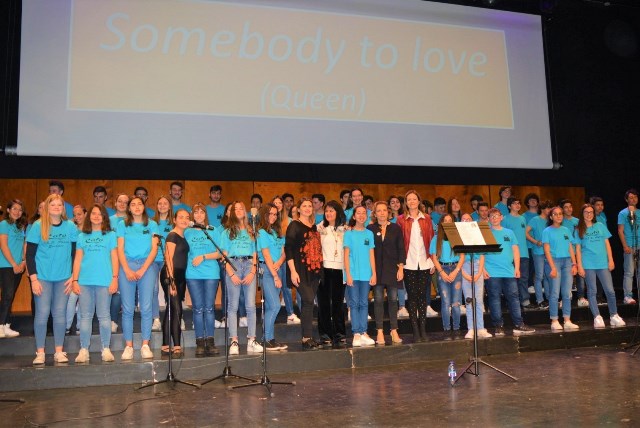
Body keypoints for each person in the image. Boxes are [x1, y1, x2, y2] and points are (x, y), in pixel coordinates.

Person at [26, 194, 78, 364]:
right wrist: (33, 279)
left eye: (59, 205)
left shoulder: (70, 226)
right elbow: (30, 254)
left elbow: (75, 253)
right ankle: (40, 352)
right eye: (53, 204)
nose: (56, 207)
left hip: (63, 278)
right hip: (42, 278)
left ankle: (59, 351)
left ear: (63, 208)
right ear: (47, 207)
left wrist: (73, 277)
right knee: (41, 314)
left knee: (59, 314)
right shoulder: (37, 226)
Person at [72, 205, 118, 363]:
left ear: (104, 217)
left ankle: (106, 348)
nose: (97, 216)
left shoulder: (111, 235)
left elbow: (114, 258)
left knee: (104, 316)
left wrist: (115, 278)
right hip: (84, 281)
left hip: (105, 281)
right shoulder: (82, 236)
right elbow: (78, 260)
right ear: (89, 216)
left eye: (100, 214)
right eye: (93, 213)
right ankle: (84, 349)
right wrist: (75, 280)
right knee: (85, 317)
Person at [116, 196, 159, 360]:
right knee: (127, 309)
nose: (136, 207)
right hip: (127, 266)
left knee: (146, 307)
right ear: (129, 208)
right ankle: (129, 346)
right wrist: (126, 269)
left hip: (147, 267)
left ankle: (145, 345)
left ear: (144, 206)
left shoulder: (152, 225)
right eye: (132, 204)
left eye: (139, 204)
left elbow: (154, 250)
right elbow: (120, 249)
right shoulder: (122, 225)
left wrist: (143, 269)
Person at [484, 208, 535, 336]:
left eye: (497, 215)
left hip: (509, 271)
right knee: (494, 299)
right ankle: (498, 326)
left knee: (514, 298)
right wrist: (483, 270)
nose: (495, 218)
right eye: (492, 216)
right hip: (492, 272)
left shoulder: (510, 233)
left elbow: (516, 251)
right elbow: (481, 254)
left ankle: (518, 324)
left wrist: (517, 268)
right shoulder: (485, 234)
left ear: (502, 217)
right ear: (488, 219)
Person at [220, 201, 262, 355]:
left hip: (249, 264)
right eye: (235, 209)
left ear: (245, 212)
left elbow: (256, 253)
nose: (238, 211)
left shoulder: (252, 230)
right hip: (234, 265)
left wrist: (253, 271)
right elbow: (223, 255)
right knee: (233, 306)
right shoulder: (226, 232)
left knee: (251, 306)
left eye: (241, 208)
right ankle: (234, 341)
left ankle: (252, 339)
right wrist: (231, 273)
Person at [575, 204, 626, 329]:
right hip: (588, 264)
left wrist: (611, 260)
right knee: (592, 291)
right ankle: (597, 317)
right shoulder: (578, 230)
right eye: (586, 212)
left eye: (591, 212)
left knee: (610, 290)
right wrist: (580, 266)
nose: (589, 214)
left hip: (602, 263)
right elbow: (577, 249)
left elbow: (607, 244)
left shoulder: (600, 226)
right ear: (582, 214)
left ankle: (614, 315)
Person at [396, 190, 435, 342]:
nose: (412, 201)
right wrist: (400, 263)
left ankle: (423, 328)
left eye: (414, 199)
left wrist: (432, 260)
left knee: (423, 297)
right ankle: (415, 331)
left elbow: (431, 240)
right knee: (412, 297)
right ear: (406, 202)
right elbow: (399, 243)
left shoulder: (427, 218)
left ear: (419, 201)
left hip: (425, 262)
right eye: (409, 199)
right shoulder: (401, 220)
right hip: (409, 263)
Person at [285, 197, 323, 350]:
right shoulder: (294, 225)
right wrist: (293, 271)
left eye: (309, 206)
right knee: (307, 300)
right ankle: (306, 338)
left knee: (309, 303)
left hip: (313, 271)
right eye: (304, 206)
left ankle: (308, 337)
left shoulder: (313, 227)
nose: (307, 208)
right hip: (299, 270)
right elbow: (288, 249)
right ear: (299, 209)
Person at [185, 203, 222, 356]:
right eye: (196, 212)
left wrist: (204, 257)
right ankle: (199, 342)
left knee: (209, 308)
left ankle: (210, 341)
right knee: (198, 308)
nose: (199, 215)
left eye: (202, 212)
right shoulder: (187, 232)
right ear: (192, 215)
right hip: (193, 274)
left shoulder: (212, 230)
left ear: (205, 215)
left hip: (211, 273)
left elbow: (220, 253)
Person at [368, 201, 405, 345]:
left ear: (388, 213)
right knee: (377, 300)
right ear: (375, 213)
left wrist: (401, 268)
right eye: (379, 210)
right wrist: (371, 271)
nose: (382, 213)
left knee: (392, 300)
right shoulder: (370, 228)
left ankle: (394, 329)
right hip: (376, 270)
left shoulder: (395, 228)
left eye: (384, 210)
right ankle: (379, 331)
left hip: (392, 269)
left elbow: (401, 249)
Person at [257, 203, 289, 351]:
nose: (273, 216)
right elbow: (266, 254)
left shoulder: (277, 232)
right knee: (275, 305)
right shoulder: (262, 232)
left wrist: (280, 262)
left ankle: (269, 338)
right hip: (267, 270)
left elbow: (284, 253)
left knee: (271, 306)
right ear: (264, 214)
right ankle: (266, 339)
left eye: (275, 214)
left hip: (277, 268)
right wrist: (275, 275)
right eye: (270, 213)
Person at [317, 200, 348, 348]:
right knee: (323, 304)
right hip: (324, 270)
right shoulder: (320, 229)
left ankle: (340, 334)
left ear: (337, 212)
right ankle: (325, 335)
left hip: (339, 270)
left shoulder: (345, 230)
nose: (329, 214)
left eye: (332, 211)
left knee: (338, 303)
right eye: (326, 211)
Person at [344, 205, 376, 347]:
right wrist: (348, 274)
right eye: (359, 213)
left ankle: (364, 332)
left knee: (364, 303)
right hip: (353, 274)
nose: (362, 215)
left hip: (366, 275)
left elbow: (371, 254)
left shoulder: (369, 234)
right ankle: (356, 333)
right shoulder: (348, 234)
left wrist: (374, 273)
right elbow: (346, 256)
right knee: (354, 303)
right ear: (354, 216)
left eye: (364, 213)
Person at [160, 209, 191, 357]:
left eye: (187, 217)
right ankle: (177, 345)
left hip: (180, 277)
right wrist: (171, 281)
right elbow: (168, 259)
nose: (184, 220)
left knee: (171, 310)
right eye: (181, 217)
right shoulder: (172, 235)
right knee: (177, 309)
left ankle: (166, 344)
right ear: (174, 219)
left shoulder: (183, 236)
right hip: (170, 276)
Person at [543, 206, 579, 331]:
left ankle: (567, 319)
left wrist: (574, 264)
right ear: (551, 217)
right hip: (554, 262)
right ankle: (554, 320)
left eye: (560, 214)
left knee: (567, 293)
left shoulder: (566, 230)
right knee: (554, 293)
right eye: (556, 214)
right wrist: (552, 267)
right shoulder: (547, 231)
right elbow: (546, 250)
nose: (558, 216)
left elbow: (570, 247)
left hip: (567, 262)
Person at [431, 213, 464, 339]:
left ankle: (456, 328)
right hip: (443, 269)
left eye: (450, 220)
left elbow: (462, 256)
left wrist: (456, 271)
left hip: (456, 269)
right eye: (445, 220)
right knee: (445, 302)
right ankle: (446, 328)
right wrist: (441, 272)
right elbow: (434, 257)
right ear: (441, 223)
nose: (448, 222)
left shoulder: (457, 237)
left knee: (456, 302)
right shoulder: (436, 239)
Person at [459, 214, 492, 339]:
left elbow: (482, 255)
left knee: (478, 300)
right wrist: (464, 273)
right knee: (469, 300)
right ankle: (471, 328)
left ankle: (481, 328)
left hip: (477, 265)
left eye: (468, 219)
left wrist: (480, 272)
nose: (466, 221)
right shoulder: (457, 236)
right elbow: (457, 258)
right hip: (464, 266)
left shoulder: (477, 235)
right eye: (463, 219)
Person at [501, 197, 534, 310]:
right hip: (511, 254)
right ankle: (510, 301)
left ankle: (525, 300)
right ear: (509, 206)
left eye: (519, 203)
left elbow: (524, 234)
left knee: (524, 277)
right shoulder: (505, 219)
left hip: (524, 252)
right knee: (511, 279)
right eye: (514, 203)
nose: (518, 205)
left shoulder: (523, 218)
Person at [0, 199, 27, 338]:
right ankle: (0, 326)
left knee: (11, 296)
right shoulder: (4, 224)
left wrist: (23, 261)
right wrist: (13, 264)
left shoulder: (21, 226)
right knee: (7, 295)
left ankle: (6, 326)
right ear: (9, 210)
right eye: (14, 209)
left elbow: (23, 245)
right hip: (6, 265)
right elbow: (3, 245)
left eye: (20, 210)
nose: (17, 212)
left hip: (17, 266)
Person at [152, 196, 174, 332]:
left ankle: (175, 317)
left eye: (165, 203)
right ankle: (156, 319)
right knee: (153, 290)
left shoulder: (173, 223)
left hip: (168, 260)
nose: (162, 205)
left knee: (170, 289)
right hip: (154, 260)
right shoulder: (151, 223)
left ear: (169, 206)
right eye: (159, 203)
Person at [526, 200, 552, 309]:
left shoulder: (550, 221)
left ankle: (549, 299)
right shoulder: (535, 220)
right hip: (538, 251)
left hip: (550, 252)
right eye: (548, 208)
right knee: (539, 276)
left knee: (547, 275)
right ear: (542, 209)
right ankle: (540, 300)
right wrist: (535, 241)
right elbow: (526, 232)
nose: (550, 210)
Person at [617, 189, 639, 305]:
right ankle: (628, 295)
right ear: (626, 199)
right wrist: (625, 245)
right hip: (630, 245)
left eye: (635, 197)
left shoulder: (639, 212)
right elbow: (620, 231)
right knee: (629, 272)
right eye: (631, 197)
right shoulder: (623, 213)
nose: (633, 199)